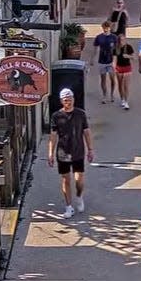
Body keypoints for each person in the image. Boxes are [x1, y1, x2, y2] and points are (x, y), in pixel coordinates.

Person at [47, 88, 94, 219]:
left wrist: (90, 149)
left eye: (70, 99)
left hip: (78, 151)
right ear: (62, 101)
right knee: (65, 180)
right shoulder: (56, 116)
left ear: (74, 99)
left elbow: (86, 132)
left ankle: (79, 196)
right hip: (63, 153)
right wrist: (50, 153)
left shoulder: (80, 114)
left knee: (79, 180)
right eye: (66, 100)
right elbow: (53, 136)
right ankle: (69, 206)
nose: (68, 102)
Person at [90, 20, 118, 104]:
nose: (106, 29)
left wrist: (115, 61)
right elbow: (95, 49)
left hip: (110, 60)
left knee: (112, 78)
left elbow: (116, 50)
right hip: (102, 60)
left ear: (110, 28)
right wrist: (92, 58)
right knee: (103, 79)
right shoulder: (99, 37)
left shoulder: (114, 37)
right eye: (104, 28)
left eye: (107, 28)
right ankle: (104, 95)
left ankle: (112, 94)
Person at [114, 34, 134, 110]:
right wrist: (114, 67)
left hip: (127, 67)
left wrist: (128, 56)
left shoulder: (128, 47)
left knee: (126, 85)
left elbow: (133, 57)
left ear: (125, 40)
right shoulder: (116, 48)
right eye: (120, 40)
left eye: (122, 40)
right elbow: (114, 59)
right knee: (120, 84)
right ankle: (122, 99)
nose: (121, 41)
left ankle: (126, 101)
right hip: (119, 67)